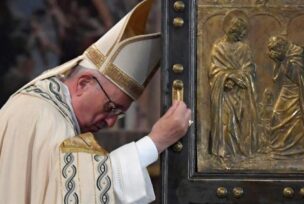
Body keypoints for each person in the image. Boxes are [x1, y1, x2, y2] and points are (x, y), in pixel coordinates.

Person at [0, 0, 191, 203]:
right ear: (83, 84)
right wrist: (155, 141)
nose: (110, 122)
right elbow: (81, 193)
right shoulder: (43, 116)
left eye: (118, 113)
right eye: (110, 107)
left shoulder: (44, 107)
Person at [208, 13, 258, 162]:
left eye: (241, 31)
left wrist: (237, 78)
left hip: (240, 92)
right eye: (236, 30)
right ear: (230, 29)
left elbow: (249, 69)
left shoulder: (244, 48)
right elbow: (213, 70)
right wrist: (227, 77)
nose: (239, 34)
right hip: (224, 92)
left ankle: (239, 153)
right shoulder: (218, 47)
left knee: (240, 121)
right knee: (225, 122)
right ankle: (226, 153)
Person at [267, 36, 304, 159]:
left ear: (281, 47)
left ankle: (300, 149)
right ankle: (279, 147)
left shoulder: (299, 53)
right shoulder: (285, 54)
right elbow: (276, 78)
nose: (272, 53)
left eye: (274, 50)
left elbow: (299, 77)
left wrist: (283, 61)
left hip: (298, 92)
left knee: (297, 119)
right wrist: (278, 61)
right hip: (286, 88)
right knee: (276, 115)